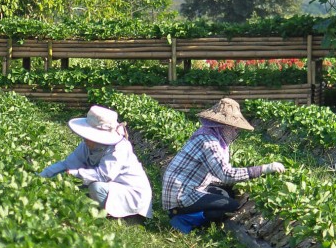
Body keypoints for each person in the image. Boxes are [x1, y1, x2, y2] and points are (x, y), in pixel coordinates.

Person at [162, 97, 285, 233]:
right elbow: (226, 175)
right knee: (230, 205)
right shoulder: (209, 142)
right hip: (181, 196)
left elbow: (216, 175)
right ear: (223, 127)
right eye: (234, 129)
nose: (236, 133)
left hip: (189, 188)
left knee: (226, 194)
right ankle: (181, 218)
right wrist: (264, 169)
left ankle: (189, 215)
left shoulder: (209, 135)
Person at [40, 105, 153, 224]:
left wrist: (75, 173)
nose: (85, 139)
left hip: (130, 191)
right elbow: (67, 164)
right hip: (110, 185)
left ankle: (126, 216)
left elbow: (103, 175)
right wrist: (42, 176)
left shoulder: (118, 149)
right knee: (81, 182)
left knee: (96, 187)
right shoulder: (87, 145)